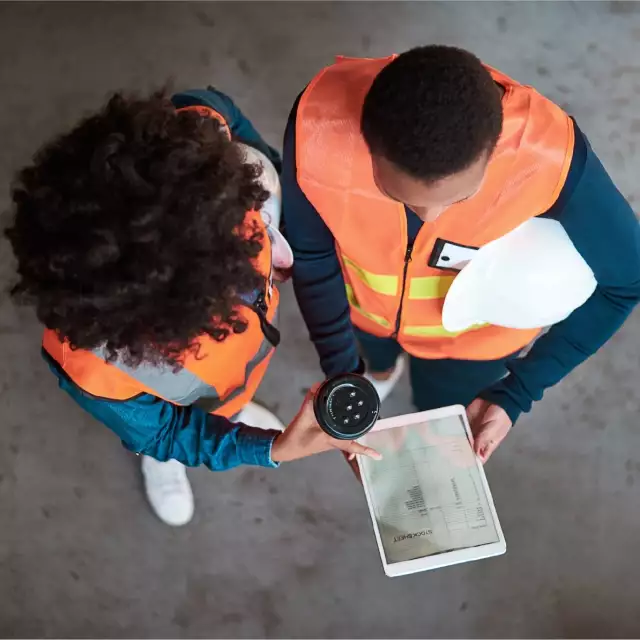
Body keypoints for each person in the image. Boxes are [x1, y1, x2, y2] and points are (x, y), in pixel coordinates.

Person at [5, 88, 380, 527]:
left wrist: (267, 177)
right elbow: (164, 429)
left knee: (230, 400)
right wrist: (266, 448)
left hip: (236, 371)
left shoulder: (213, 177)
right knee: (169, 434)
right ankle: (163, 462)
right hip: (181, 406)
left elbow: (217, 110)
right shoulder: (92, 368)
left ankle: (234, 410)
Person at [282, 46, 640, 463]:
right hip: (365, 312)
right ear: (368, 146)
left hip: (472, 348)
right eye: (397, 195)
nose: (431, 217)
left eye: (461, 197)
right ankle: (377, 373)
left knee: (440, 410)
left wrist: (517, 391)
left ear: (496, 150)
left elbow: (626, 283)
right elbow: (311, 253)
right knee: (371, 359)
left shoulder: (548, 157)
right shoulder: (318, 127)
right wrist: (342, 374)